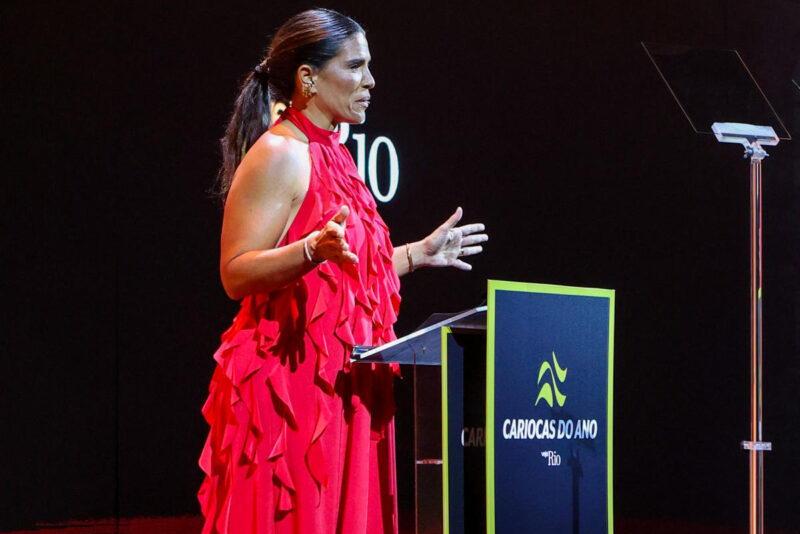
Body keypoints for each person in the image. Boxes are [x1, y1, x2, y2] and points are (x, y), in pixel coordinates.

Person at [198, 9, 487, 534]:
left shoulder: (336, 153)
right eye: (355, 67)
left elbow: (347, 277)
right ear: (307, 78)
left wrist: (419, 253)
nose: (371, 81)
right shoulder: (280, 153)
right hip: (291, 391)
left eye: (369, 66)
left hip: (348, 383)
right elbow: (235, 273)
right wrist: (308, 250)